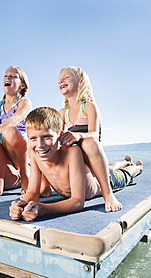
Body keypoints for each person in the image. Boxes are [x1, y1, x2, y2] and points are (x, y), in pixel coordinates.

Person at [9, 107, 143, 221]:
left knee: (124, 174)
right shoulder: (35, 153)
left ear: (60, 135)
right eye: (33, 138)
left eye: (47, 137)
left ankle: (135, 167)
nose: (40, 145)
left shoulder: (72, 152)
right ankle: (124, 161)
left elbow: (78, 201)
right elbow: (32, 192)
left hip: (107, 181)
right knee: (109, 167)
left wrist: (42, 208)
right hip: (93, 175)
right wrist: (20, 205)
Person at [57, 66, 123, 212]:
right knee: (112, 167)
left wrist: (79, 135)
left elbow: (94, 134)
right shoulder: (62, 112)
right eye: (59, 79)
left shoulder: (88, 106)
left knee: (122, 174)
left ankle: (131, 169)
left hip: (96, 162)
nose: (61, 80)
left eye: (66, 77)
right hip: (86, 167)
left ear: (80, 81)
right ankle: (125, 161)